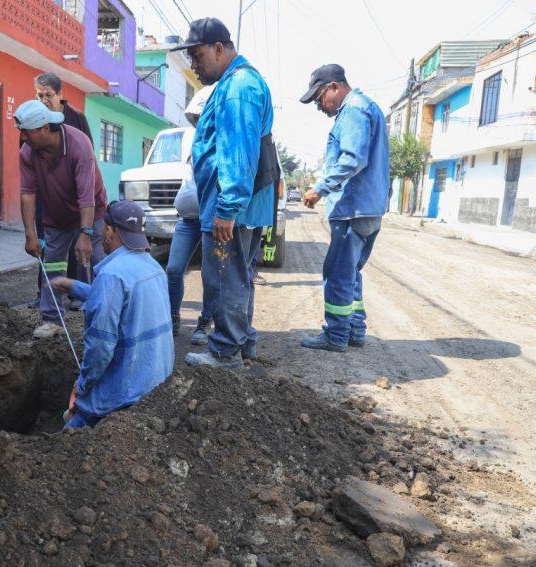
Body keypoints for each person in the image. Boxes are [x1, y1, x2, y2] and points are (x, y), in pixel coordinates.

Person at [170, 18, 276, 369]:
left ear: (219, 48)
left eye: (197, 56)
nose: (195, 65)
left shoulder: (238, 88)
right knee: (238, 276)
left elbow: (237, 151)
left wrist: (227, 208)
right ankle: (241, 343)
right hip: (242, 204)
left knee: (225, 277)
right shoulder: (237, 83)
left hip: (235, 207)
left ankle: (225, 351)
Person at [50, 201, 174, 429]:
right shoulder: (153, 267)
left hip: (128, 393)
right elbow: (122, 302)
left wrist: (82, 386)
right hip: (157, 384)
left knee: (68, 436)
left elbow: (100, 349)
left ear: (109, 231)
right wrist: (74, 286)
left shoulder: (111, 276)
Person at [298, 64, 389, 351]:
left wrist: (319, 188)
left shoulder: (353, 110)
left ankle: (336, 335)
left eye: (320, 98)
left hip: (353, 209)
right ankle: (355, 329)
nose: (319, 106)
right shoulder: (368, 107)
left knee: (338, 272)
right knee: (351, 273)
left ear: (334, 87)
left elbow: (352, 159)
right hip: (369, 208)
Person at [16, 99, 106, 339]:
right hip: (56, 214)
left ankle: (104, 316)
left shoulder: (78, 145)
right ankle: (52, 318)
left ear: (45, 128)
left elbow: (86, 196)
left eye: (27, 132)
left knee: (97, 262)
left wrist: (85, 234)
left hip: (91, 210)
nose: (23, 137)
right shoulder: (28, 153)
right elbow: (27, 193)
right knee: (53, 262)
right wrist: (30, 235)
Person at [33, 72, 93, 311]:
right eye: (39, 95)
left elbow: (88, 161)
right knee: (46, 246)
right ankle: (44, 295)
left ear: (60, 94)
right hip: (47, 196)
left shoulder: (77, 119)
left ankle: (80, 295)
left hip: (76, 196)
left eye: (48, 95)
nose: (44, 100)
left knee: (81, 245)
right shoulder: (32, 120)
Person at [165, 86, 214, 345]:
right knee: (173, 269)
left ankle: (205, 322)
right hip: (187, 218)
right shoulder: (193, 139)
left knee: (210, 274)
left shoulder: (223, 140)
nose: (198, 121)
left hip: (212, 218)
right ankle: (172, 318)